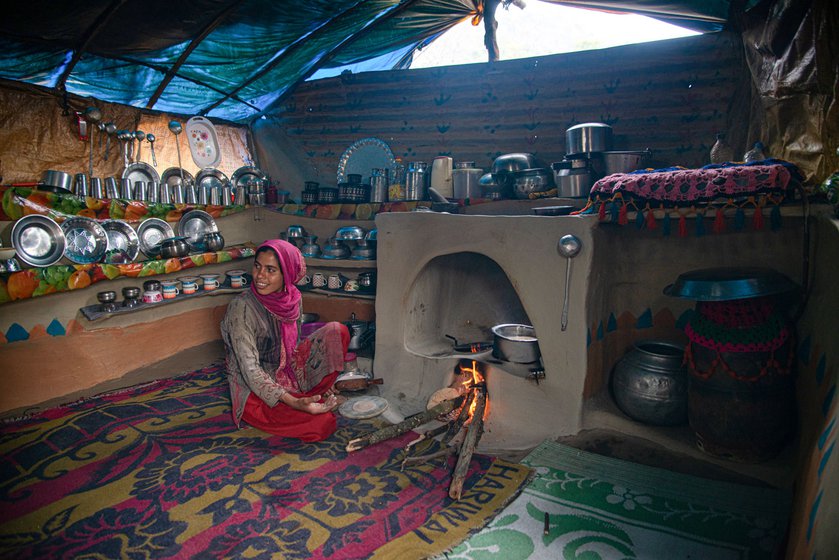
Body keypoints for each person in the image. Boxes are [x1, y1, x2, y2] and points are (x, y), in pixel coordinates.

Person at [220, 239, 350, 441]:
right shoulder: (242, 308)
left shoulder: (293, 299)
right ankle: (303, 402)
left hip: (288, 373)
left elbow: (293, 345)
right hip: (256, 391)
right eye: (257, 266)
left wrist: (315, 374)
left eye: (271, 270)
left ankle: (310, 397)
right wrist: (293, 402)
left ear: (287, 274)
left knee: (337, 331)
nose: (260, 276)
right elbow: (250, 371)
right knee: (323, 424)